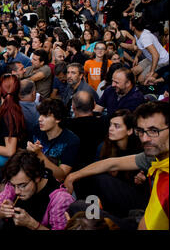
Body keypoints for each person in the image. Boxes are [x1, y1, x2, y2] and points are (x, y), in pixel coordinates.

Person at [65, 101, 169, 230]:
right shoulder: (152, 155)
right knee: (81, 203)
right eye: (141, 131)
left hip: (143, 217)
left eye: (154, 131)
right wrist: (72, 176)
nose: (145, 138)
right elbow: (111, 164)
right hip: (138, 212)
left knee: (80, 213)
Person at [0, 149, 74, 230]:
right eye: (13, 185)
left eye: (22, 185)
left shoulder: (60, 199)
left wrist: (31, 224)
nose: (16, 191)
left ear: (37, 177)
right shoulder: (15, 181)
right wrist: (3, 211)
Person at [29, 98, 80, 182]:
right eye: (40, 114)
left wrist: (40, 155)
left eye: (45, 116)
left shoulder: (71, 140)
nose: (39, 119)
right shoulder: (37, 129)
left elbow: (61, 175)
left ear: (58, 119)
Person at [63, 91, 107, 170]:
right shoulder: (105, 123)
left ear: (73, 107)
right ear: (94, 105)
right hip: (98, 168)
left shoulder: (66, 126)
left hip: (72, 169)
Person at [130, 16, 169, 84]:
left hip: (161, 60)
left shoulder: (145, 38)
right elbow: (141, 47)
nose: (129, 24)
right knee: (133, 71)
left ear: (133, 27)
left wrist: (152, 72)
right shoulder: (137, 34)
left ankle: (150, 90)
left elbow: (156, 55)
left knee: (141, 80)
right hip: (151, 58)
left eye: (130, 23)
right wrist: (136, 56)